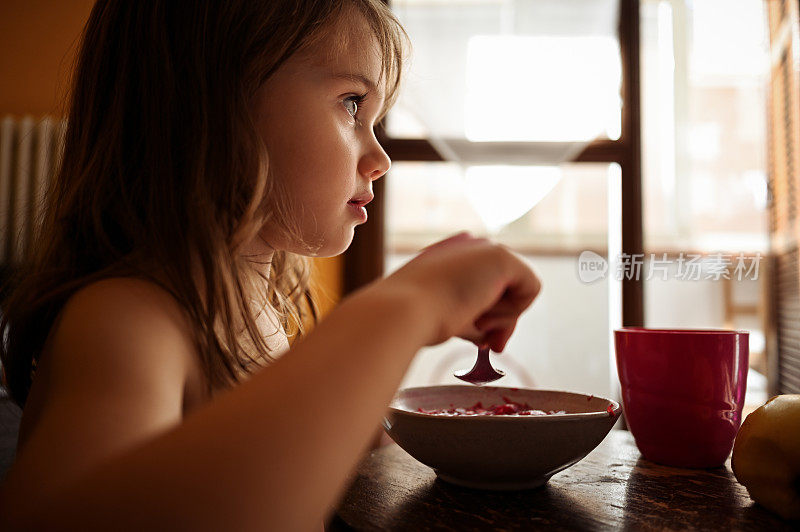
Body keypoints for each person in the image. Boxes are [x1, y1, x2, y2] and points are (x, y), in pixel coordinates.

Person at [0, 1, 541, 529]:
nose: (380, 160)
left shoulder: (257, 311)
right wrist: (403, 307)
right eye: (353, 103)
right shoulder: (126, 321)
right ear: (213, 99)